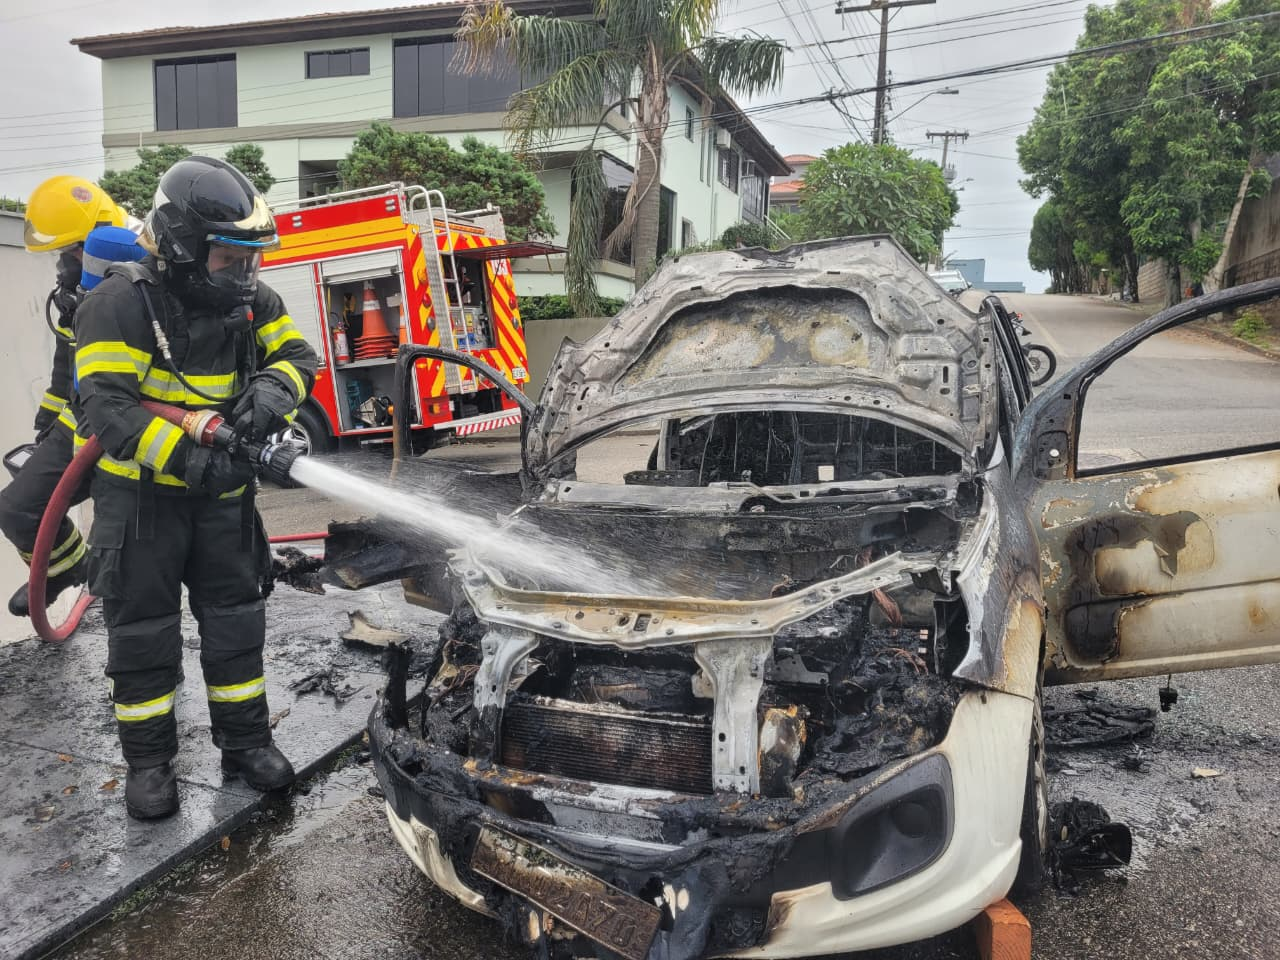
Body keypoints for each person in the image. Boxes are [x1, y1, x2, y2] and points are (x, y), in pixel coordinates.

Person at [74, 156, 317, 820]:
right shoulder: (119, 304)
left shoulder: (254, 302)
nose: (246, 274)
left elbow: (299, 358)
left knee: (237, 624)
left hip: (224, 504)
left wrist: (271, 392)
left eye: (252, 259)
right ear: (182, 248)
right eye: (230, 258)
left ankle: (245, 744)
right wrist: (192, 461)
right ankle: (149, 764)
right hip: (142, 504)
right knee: (143, 635)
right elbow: (112, 412)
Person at [0, 176, 127, 618]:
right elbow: (64, 368)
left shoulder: (141, 285)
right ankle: (68, 568)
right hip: (79, 422)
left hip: (129, 431)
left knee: (132, 560)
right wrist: (47, 424)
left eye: (68, 252)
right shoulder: (76, 299)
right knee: (16, 509)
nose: (62, 265)